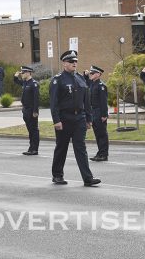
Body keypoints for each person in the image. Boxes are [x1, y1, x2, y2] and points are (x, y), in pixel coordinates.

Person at [49, 50, 101, 187]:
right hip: (64, 118)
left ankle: (88, 178)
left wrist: (89, 118)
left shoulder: (81, 78)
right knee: (62, 147)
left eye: (76, 61)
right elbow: (53, 102)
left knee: (81, 148)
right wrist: (56, 120)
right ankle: (57, 175)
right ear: (64, 63)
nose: (74, 63)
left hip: (79, 118)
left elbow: (86, 100)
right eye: (71, 61)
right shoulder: (58, 80)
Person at [83, 65, 109, 161]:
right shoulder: (92, 84)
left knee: (102, 134)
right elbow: (86, 82)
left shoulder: (101, 86)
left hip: (99, 111)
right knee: (97, 134)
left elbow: (103, 101)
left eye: (92, 73)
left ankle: (104, 154)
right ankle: (100, 152)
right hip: (93, 111)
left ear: (98, 74)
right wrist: (85, 75)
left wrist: (104, 115)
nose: (91, 74)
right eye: (90, 73)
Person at [14, 66, 40, 155]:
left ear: (29, 73)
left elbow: (36, 98)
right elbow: (16, 81)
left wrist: (35, 111)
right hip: (25, 109)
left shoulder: (34, 83)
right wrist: (15, 76)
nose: (22, 74)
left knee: (34, 130)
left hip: (32, 110)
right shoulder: (25, 83)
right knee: (30, 130)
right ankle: (31, 148)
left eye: (23, 72)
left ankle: (34, 149)